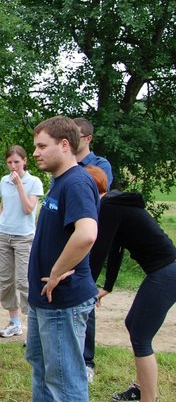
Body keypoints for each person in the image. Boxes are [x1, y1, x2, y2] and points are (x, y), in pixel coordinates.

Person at [82, 166, 176, 402]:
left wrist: (86, 287)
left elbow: (99, 251)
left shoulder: (108, 208)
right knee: (133, 324)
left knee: (141, 336)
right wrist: (107, 286)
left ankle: (148, 398)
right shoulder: (114, 204)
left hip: (167, 273)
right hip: (164, 271)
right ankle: (140, 388)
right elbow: (115, 249)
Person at [26, 116, 99, 402]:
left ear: (65, 145)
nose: (35, 153)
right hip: (45, 300)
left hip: (63, 300)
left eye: (42, 146)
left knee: (64, 382)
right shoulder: (60, 182)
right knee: (43, 371)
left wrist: (56, 271)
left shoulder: (77, 182)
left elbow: (87, 234)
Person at [70, 117, 114, 381]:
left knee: (87, 296)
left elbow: (95, 197)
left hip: (88, 238)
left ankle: (87, 360)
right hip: (67, 236)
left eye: (76, 135)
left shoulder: (99, 166)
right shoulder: (65, 166)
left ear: (87, 139)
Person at [0, 145, 44, 339]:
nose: (13, 166)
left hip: (24, 237)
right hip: (2, 234)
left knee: (24, 281)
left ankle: (34, 326)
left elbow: (29, 208)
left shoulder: (34, 182)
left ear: (25, 161)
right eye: (9, 162)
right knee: (5, 280)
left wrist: (19, 185)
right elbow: (3, 205)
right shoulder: (4, 181)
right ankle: (14, 322)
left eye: (16, 162)